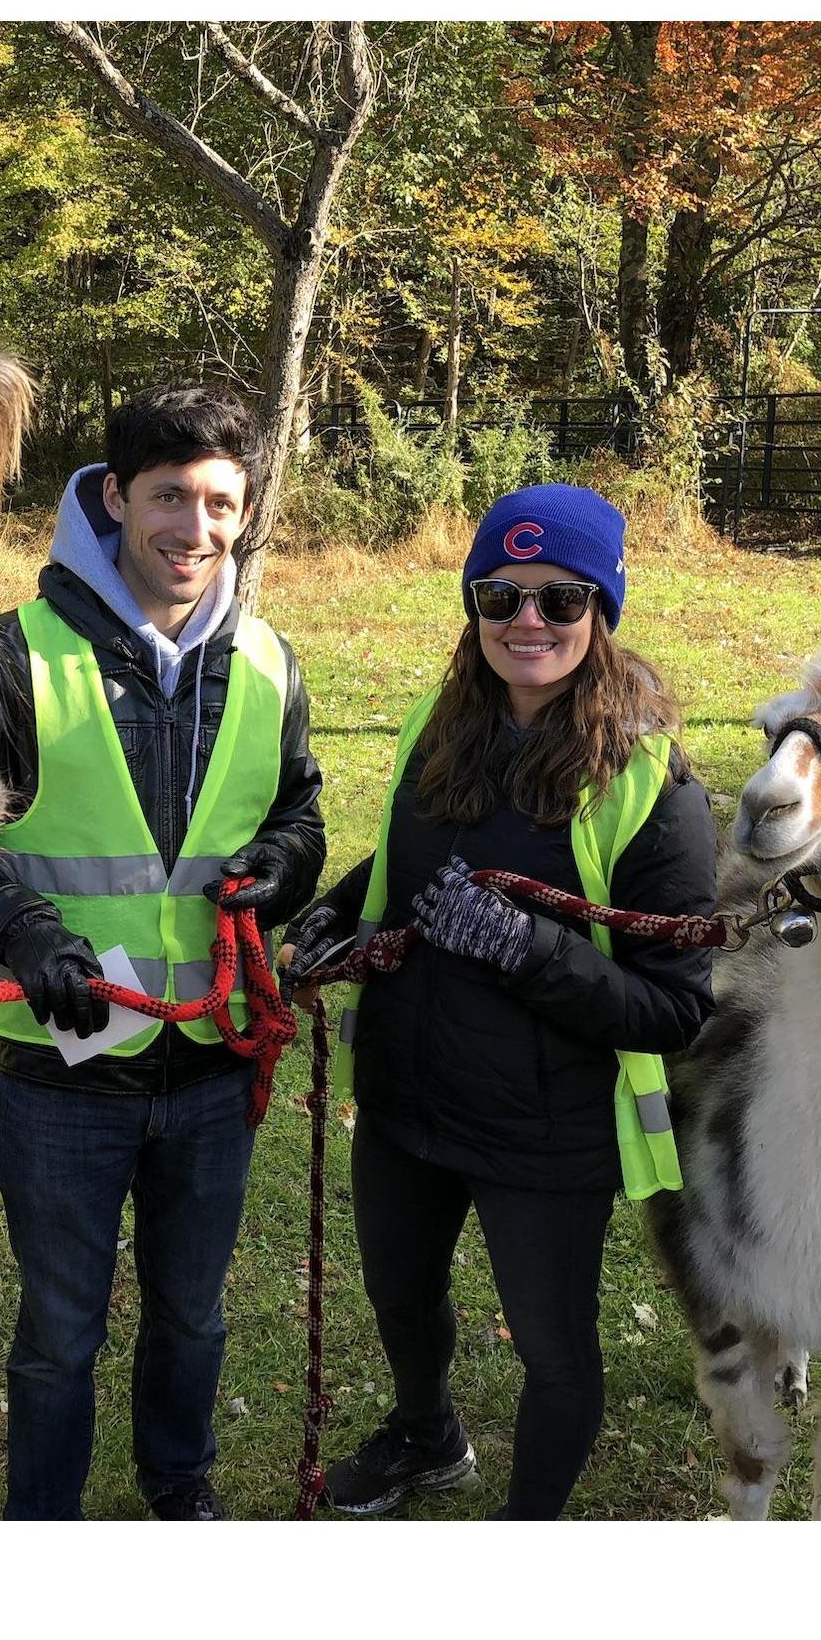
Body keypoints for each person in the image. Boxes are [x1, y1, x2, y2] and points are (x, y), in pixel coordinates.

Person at [0, 383, 325, 1520]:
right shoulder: (11, 656)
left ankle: (176, 1488)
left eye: (217, 501)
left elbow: (298, 811)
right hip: (62, 1073)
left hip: (207, 1066)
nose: (192, 528)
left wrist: (284, 869)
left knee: (192, 1315)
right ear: (112, 497)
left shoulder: (266, 661)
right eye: (166, 496)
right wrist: (18, 928)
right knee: (59, 1332)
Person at [283, 484, 716, 1520]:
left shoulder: (652, 785)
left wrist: (531, 950)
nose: (526, 620)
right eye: (498, 595)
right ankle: (424, 1436)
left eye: (560, 599)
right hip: (407, 1093)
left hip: (546, 1126)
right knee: (398, 1292)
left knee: (552, 1345)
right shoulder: (442, 728)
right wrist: (329, 920)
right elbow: (401, 863)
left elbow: (672, 1007)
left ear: (600, 611)